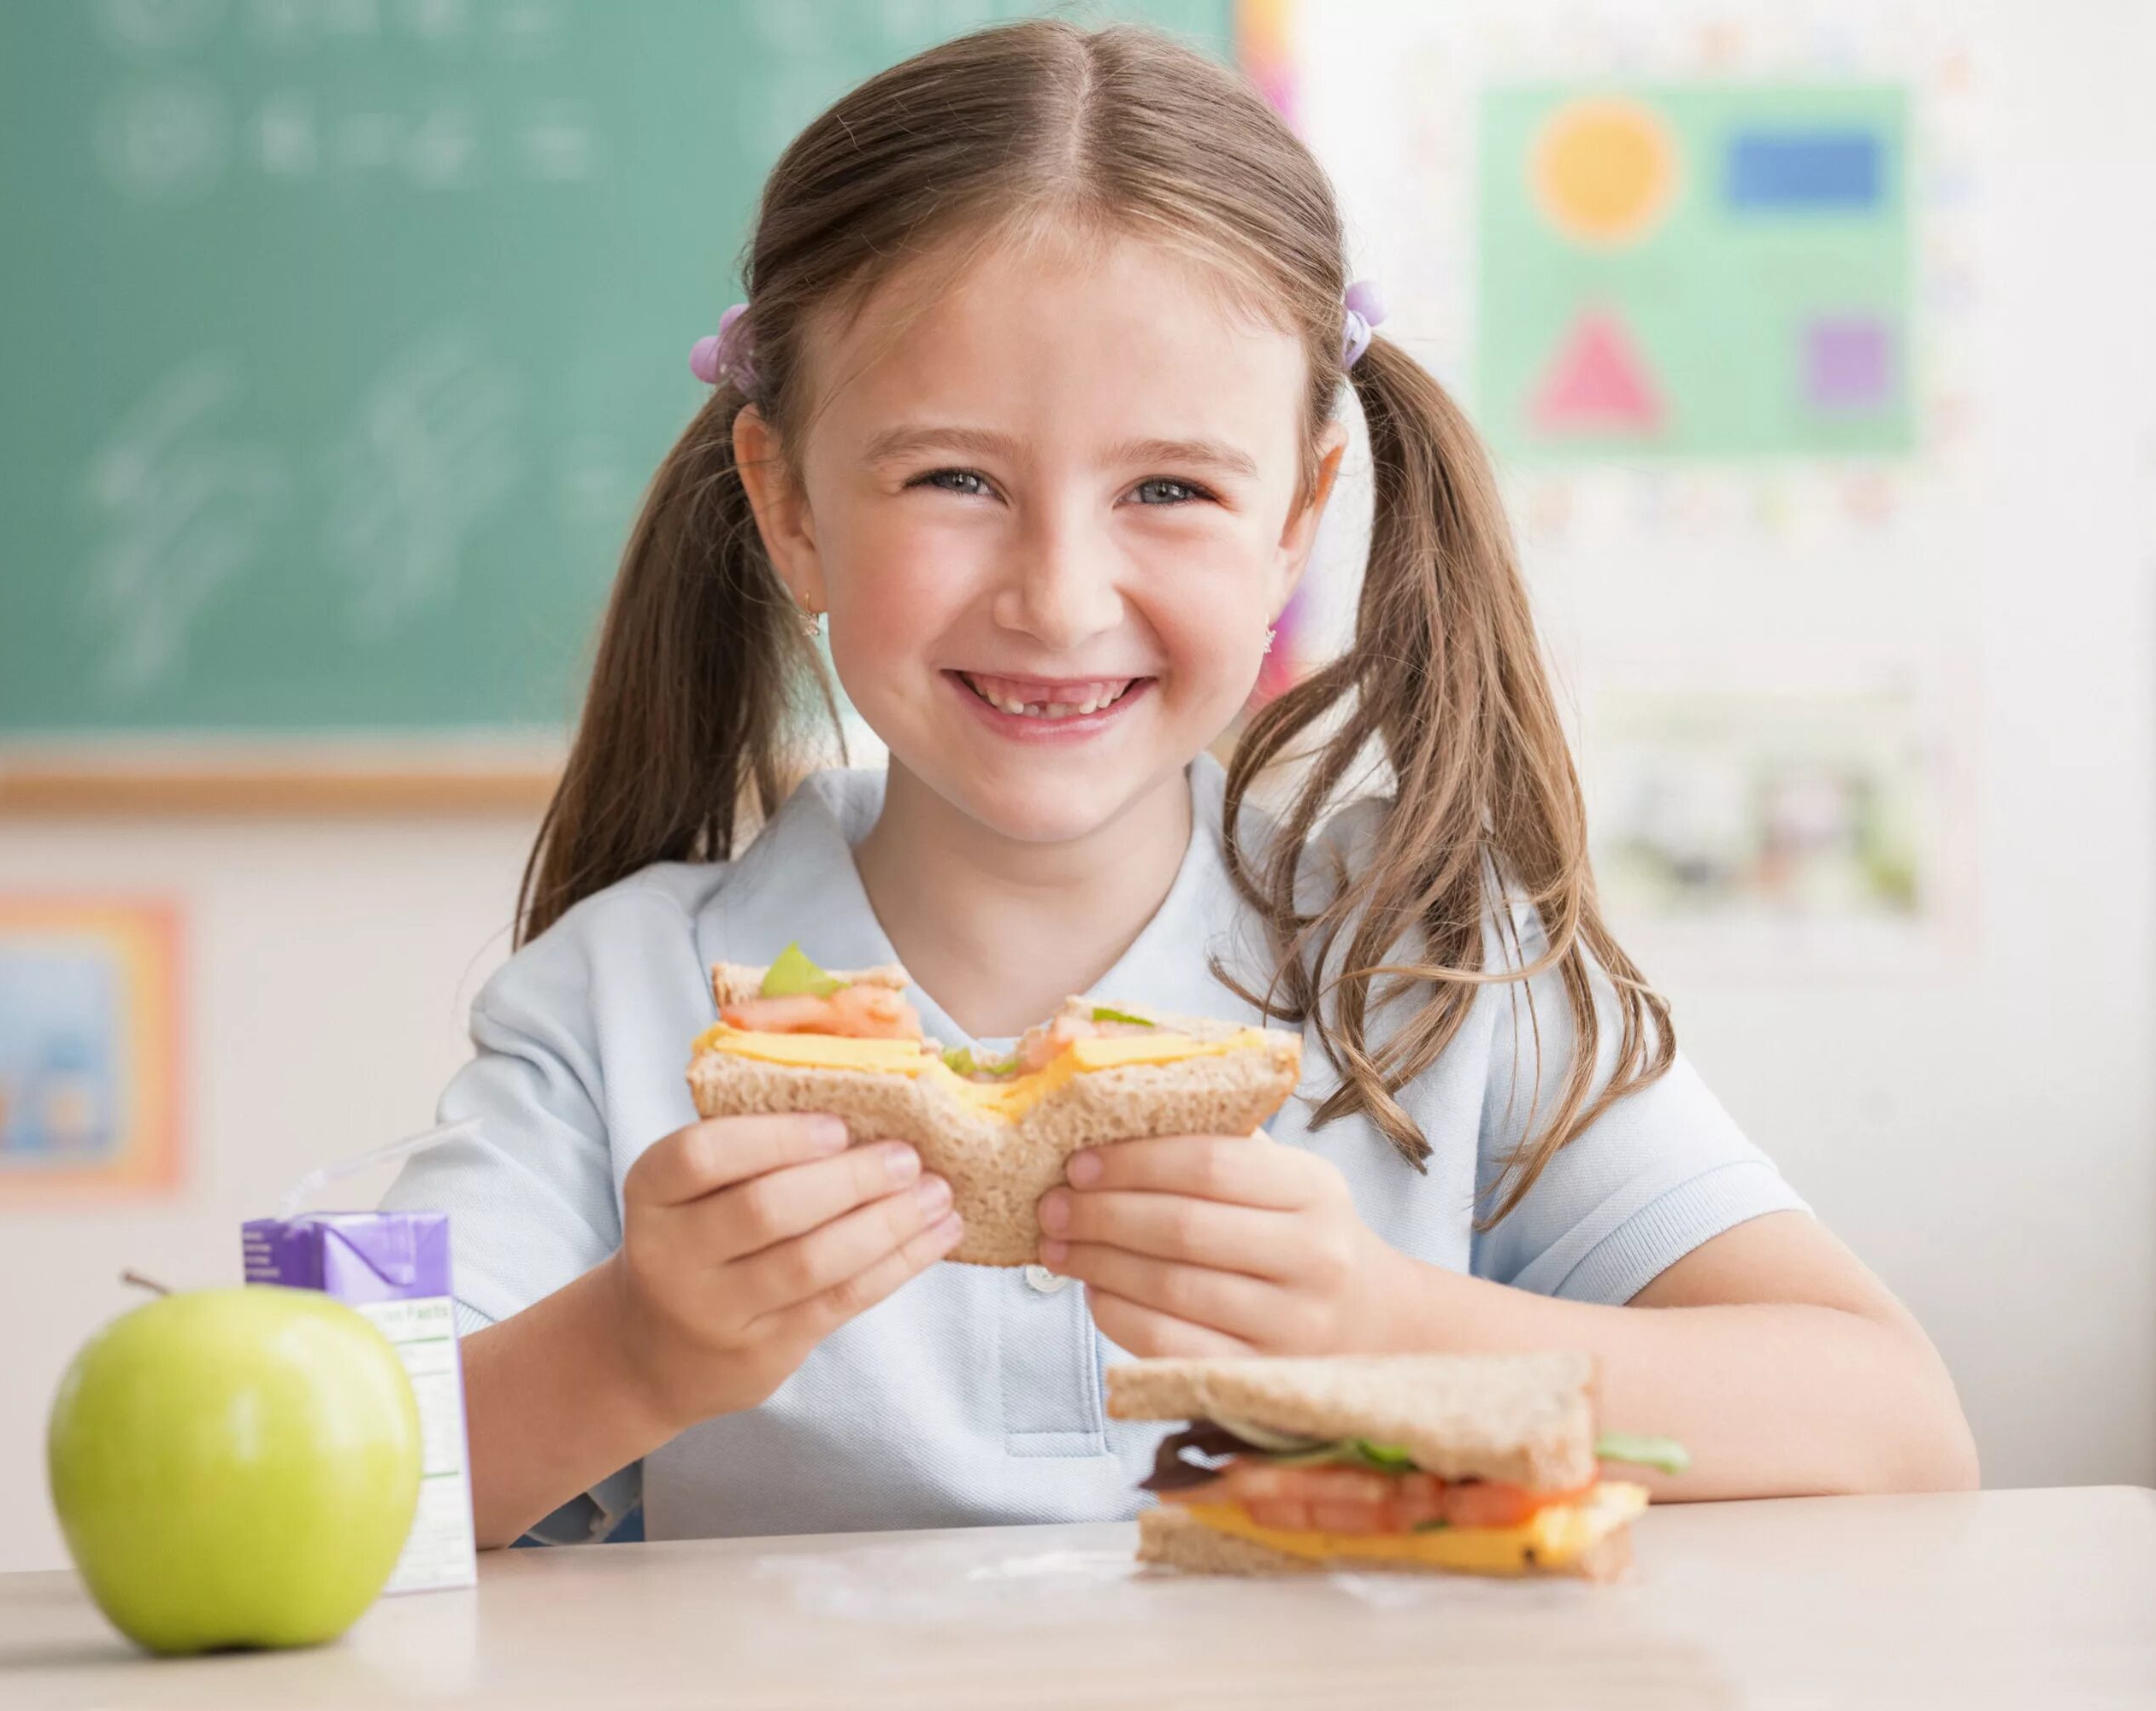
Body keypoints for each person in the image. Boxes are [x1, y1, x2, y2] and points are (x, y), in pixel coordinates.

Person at [384, 18, 1976, 1549]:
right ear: (788, 504)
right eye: (955, 479)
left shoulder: (1424, 964)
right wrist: (634, 1358)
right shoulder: (618, 1005)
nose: (1060, 596)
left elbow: (1893, 1425)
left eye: (1170, 488)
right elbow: (337, 1485)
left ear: (1298, 515)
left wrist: (1385, 1327)